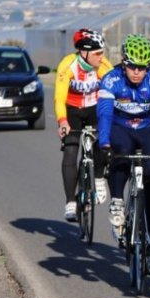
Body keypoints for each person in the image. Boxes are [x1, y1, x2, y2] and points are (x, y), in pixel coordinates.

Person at [95, 35, 150, 274]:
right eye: (132, 66)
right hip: (120, 129)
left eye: (142, 68)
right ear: (123, 63)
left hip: (146, 131)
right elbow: (104, 114)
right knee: (119, 152)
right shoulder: (111, 79)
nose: (136, 72)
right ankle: (117, 200)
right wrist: (104, 143)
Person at [55, 28, 113, 221]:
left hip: (94, 109)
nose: (101, 57)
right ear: (84, 52)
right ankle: (70, 202)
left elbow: (116, 88)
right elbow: (59, 98)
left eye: (102, 52)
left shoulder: (103, 66)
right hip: (72, 111)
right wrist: (63, 121)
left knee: (104, 141)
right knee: (71, 150)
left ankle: (97, 176)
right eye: (97, 53)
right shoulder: (67, 66)